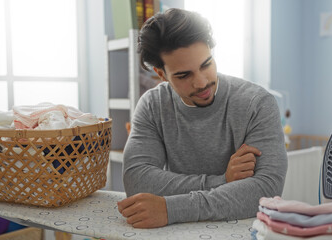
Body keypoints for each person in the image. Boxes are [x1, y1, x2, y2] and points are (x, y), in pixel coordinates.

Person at [117, 8, 288, 229]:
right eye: (183, 75)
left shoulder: (257, 103)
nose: (201, 83)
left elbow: (266, 189)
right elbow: (138, 180)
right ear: (161, 74)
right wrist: (223, 180)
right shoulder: (152, 105)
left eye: (206, 64)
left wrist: (171, 209)